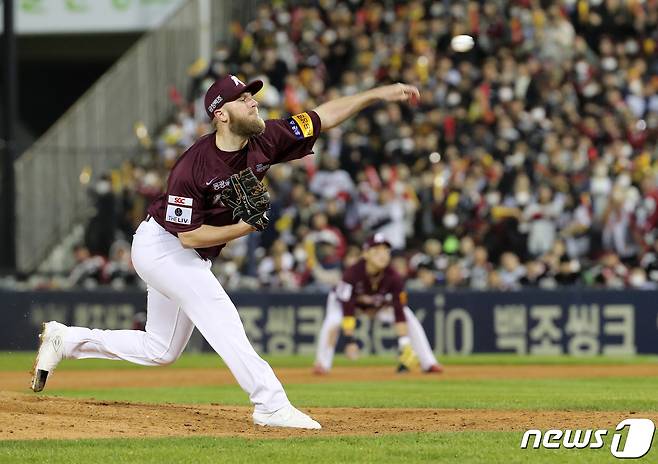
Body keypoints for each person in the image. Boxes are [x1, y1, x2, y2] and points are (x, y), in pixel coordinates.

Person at [30, 74, 420, 430]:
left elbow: (324, 116)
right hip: (162, 245)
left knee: (161, 349)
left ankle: (67, 340)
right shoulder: (193, 166)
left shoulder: (269, 137)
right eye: (242, 97)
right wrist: (245, 226)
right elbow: (189, 237)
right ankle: (270, 404)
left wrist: (377, 94)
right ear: (221, 114)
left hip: (188, 253)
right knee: (219, 313)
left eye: (252, 94)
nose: (253, 101)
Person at [313, 233, 443, 374]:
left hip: (378, 306)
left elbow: (398, 310)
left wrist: (404, 343)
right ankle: (322, 363)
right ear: (366, 254)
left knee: (408, 315)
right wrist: (350, 340)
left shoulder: (394, 277)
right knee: (332, 322)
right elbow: (347, 307)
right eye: (376, 251)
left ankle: (429, 363)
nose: (382, 255)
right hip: (345, 304)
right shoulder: (352, 273)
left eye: (385, 251)